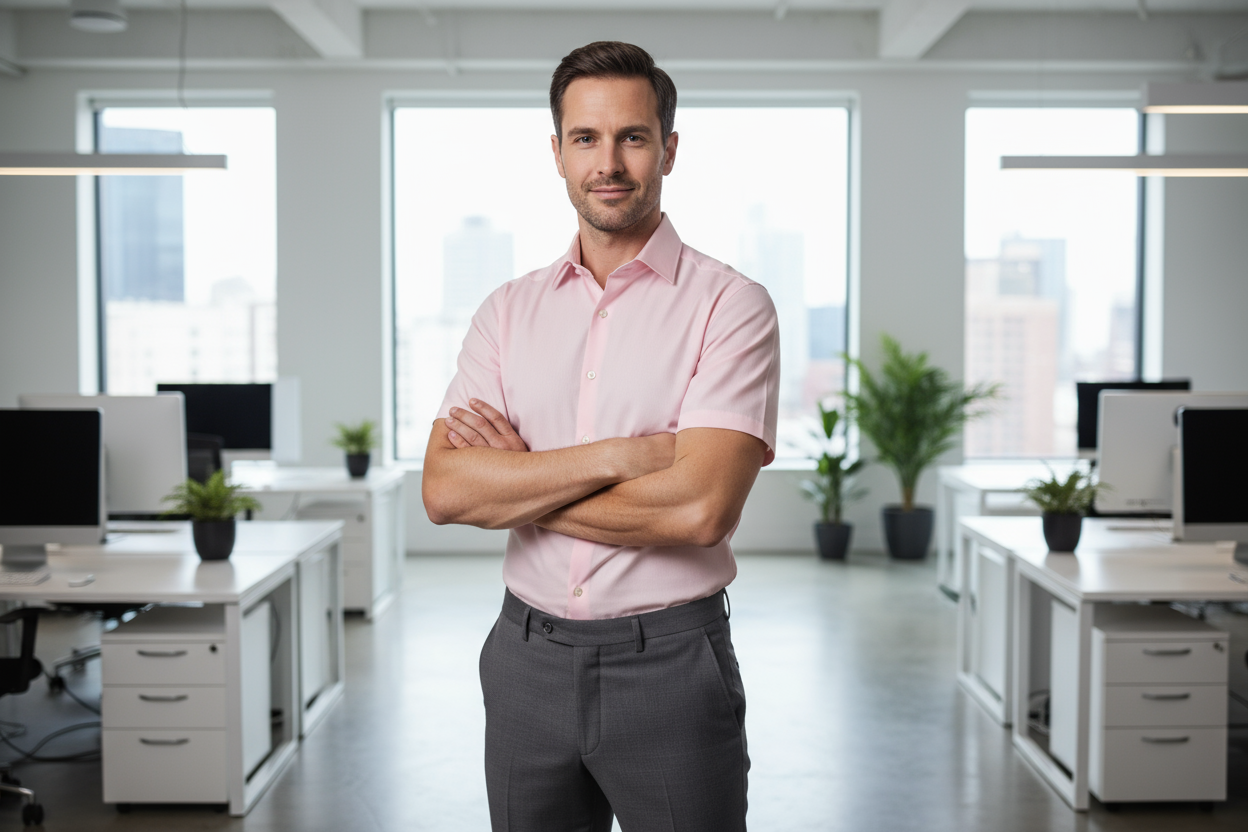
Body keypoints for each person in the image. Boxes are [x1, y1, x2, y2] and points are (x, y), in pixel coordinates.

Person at [422, 40, 780, 832]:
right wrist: (622, 457)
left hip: (671, 665)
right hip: (524, 660)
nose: (608, 162)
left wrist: (518, 482)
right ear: (556, 153)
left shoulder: (731, 306)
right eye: (585, 138)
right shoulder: (507, 312)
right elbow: (445, 491)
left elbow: (699, 512)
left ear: (669, 149)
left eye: (633, 136)